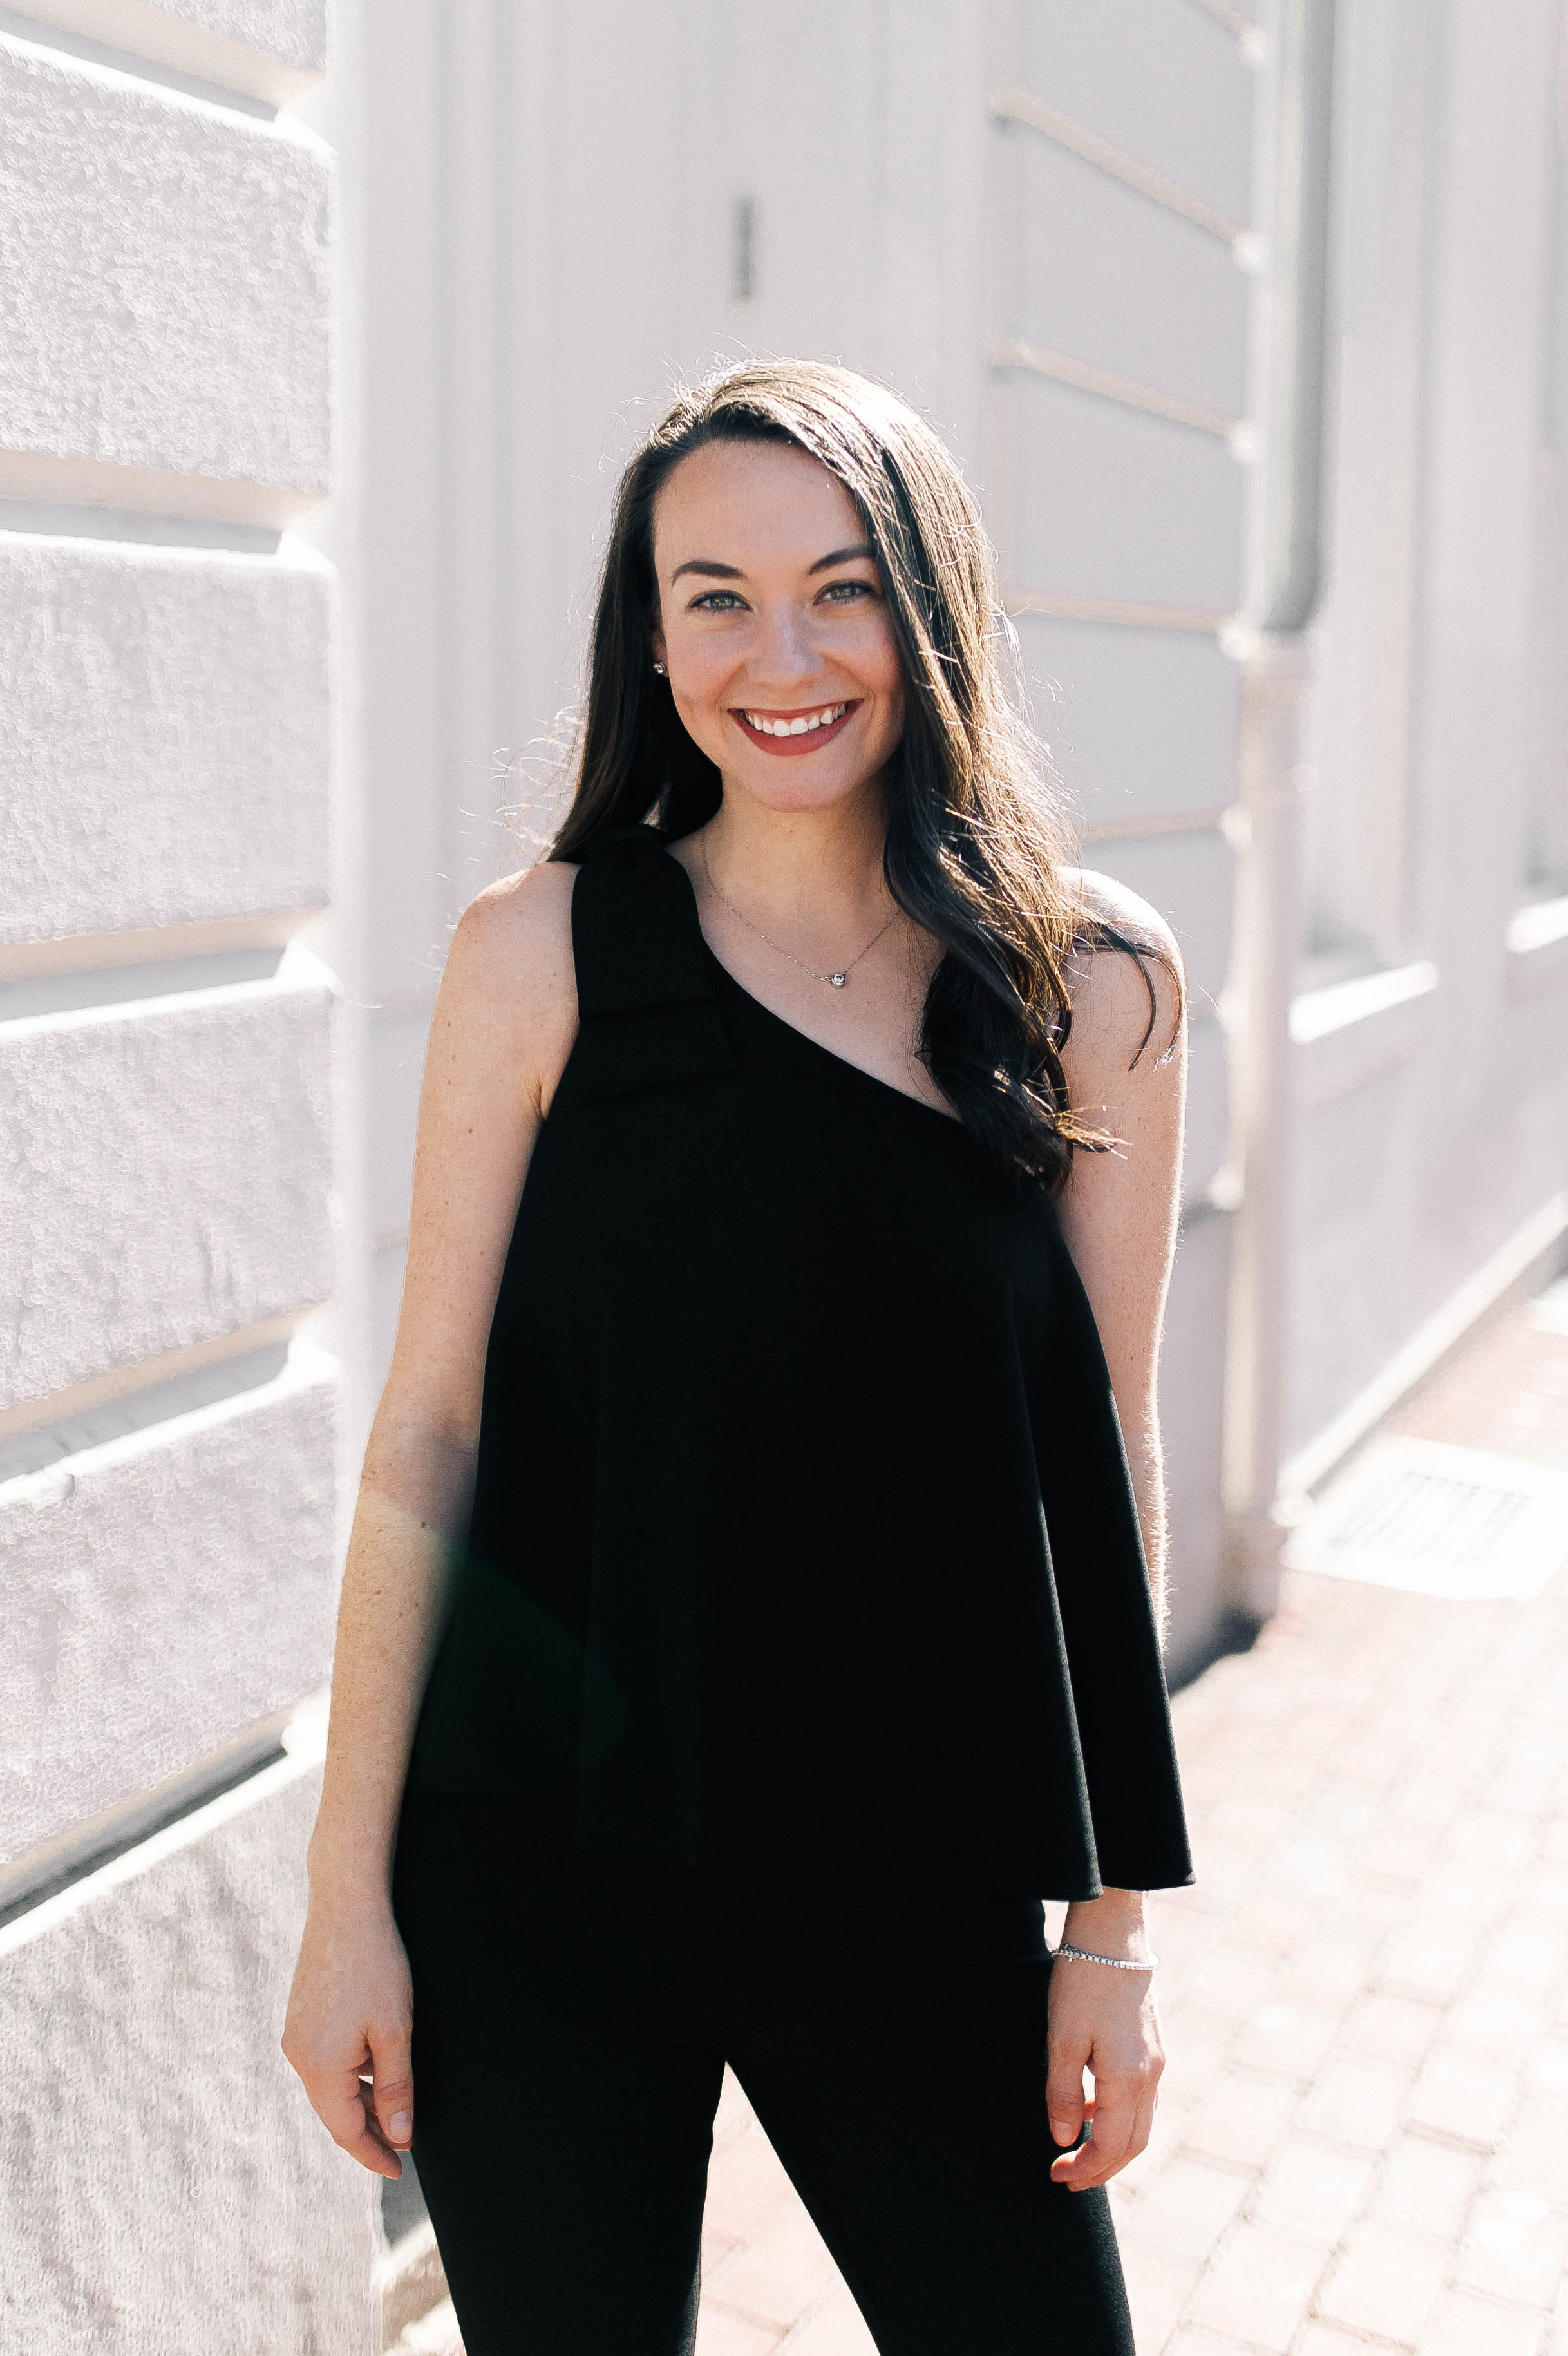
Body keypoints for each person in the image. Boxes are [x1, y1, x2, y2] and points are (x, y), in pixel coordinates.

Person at [283, 359, 1195, 2355]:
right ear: (652, 634)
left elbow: (1103, 1461)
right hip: (538, 1882)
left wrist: (1108, 1928)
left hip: (910, 1862)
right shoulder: (535, 954)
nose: (778, 655)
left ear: (927, 612)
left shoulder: (1085, 987)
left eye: (838, 586)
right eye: (713, 595)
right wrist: (346, 1893)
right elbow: (428, 1431)